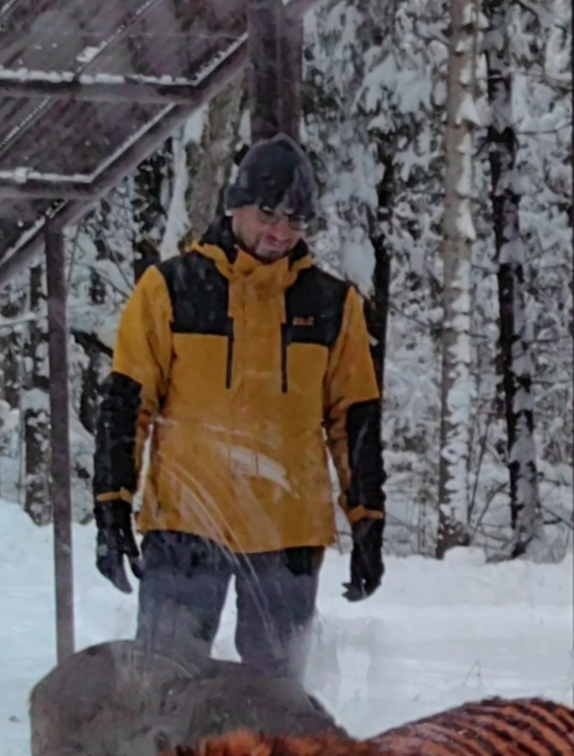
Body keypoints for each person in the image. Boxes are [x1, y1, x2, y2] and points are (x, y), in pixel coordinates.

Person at [93, 134, 385, 683]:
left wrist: (368, 523)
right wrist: (111, 509)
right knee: (164, 687)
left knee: (275, 705)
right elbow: (127, 404)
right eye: (268, 214)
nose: (278, 233)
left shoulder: (332, 305)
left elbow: (355, 423)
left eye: (295, 222)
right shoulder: (170, 289)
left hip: (287, 532)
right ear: (236, 205)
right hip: (185, 524)